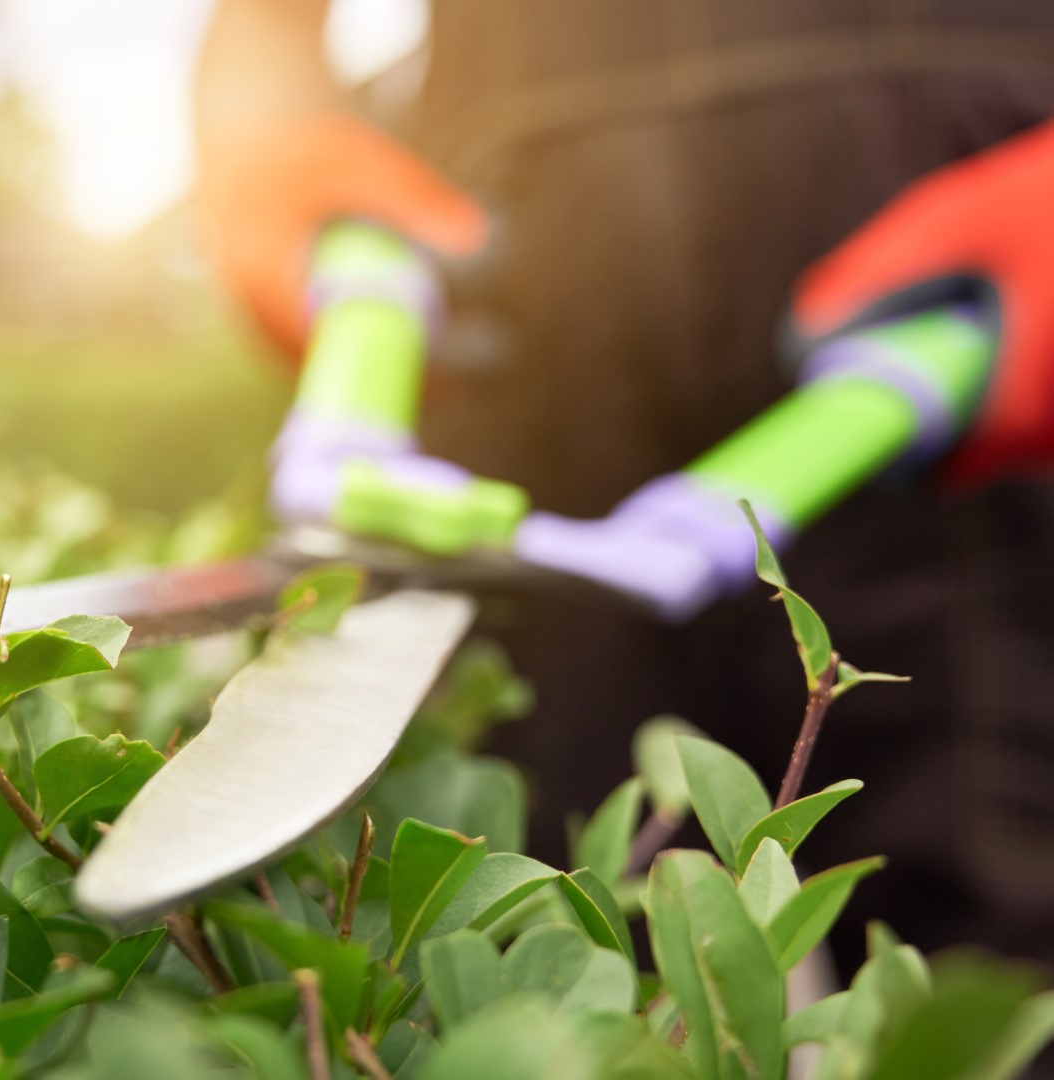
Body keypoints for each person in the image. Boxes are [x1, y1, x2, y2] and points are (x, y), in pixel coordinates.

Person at [194, 0, 1054, 989]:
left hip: (966, 196)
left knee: (1002, 997)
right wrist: (264, 110)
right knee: (518, 966)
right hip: (526, 259)